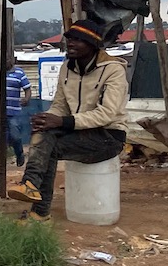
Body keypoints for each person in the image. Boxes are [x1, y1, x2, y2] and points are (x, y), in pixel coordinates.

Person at [7, 20, 127, 222]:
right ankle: (30, 187)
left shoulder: (113, 70)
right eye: (69, 39)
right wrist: (47, 119)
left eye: (77, 40)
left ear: (92, 44)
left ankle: (40, 210)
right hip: (78, 131)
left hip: (108, 136)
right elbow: (60, 105)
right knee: (44, 134)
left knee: (49, 147)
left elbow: (107, 113)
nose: (70, 43)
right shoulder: (66, 69)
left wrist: (62, 122)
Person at [4, 59, 32, 166]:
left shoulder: (19, 73)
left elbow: (27, 88)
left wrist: (26, 99)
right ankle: (1, 161)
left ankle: (19, 154)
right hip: (0, 112)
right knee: (2, 138)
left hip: (14, 112)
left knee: (15, 136)